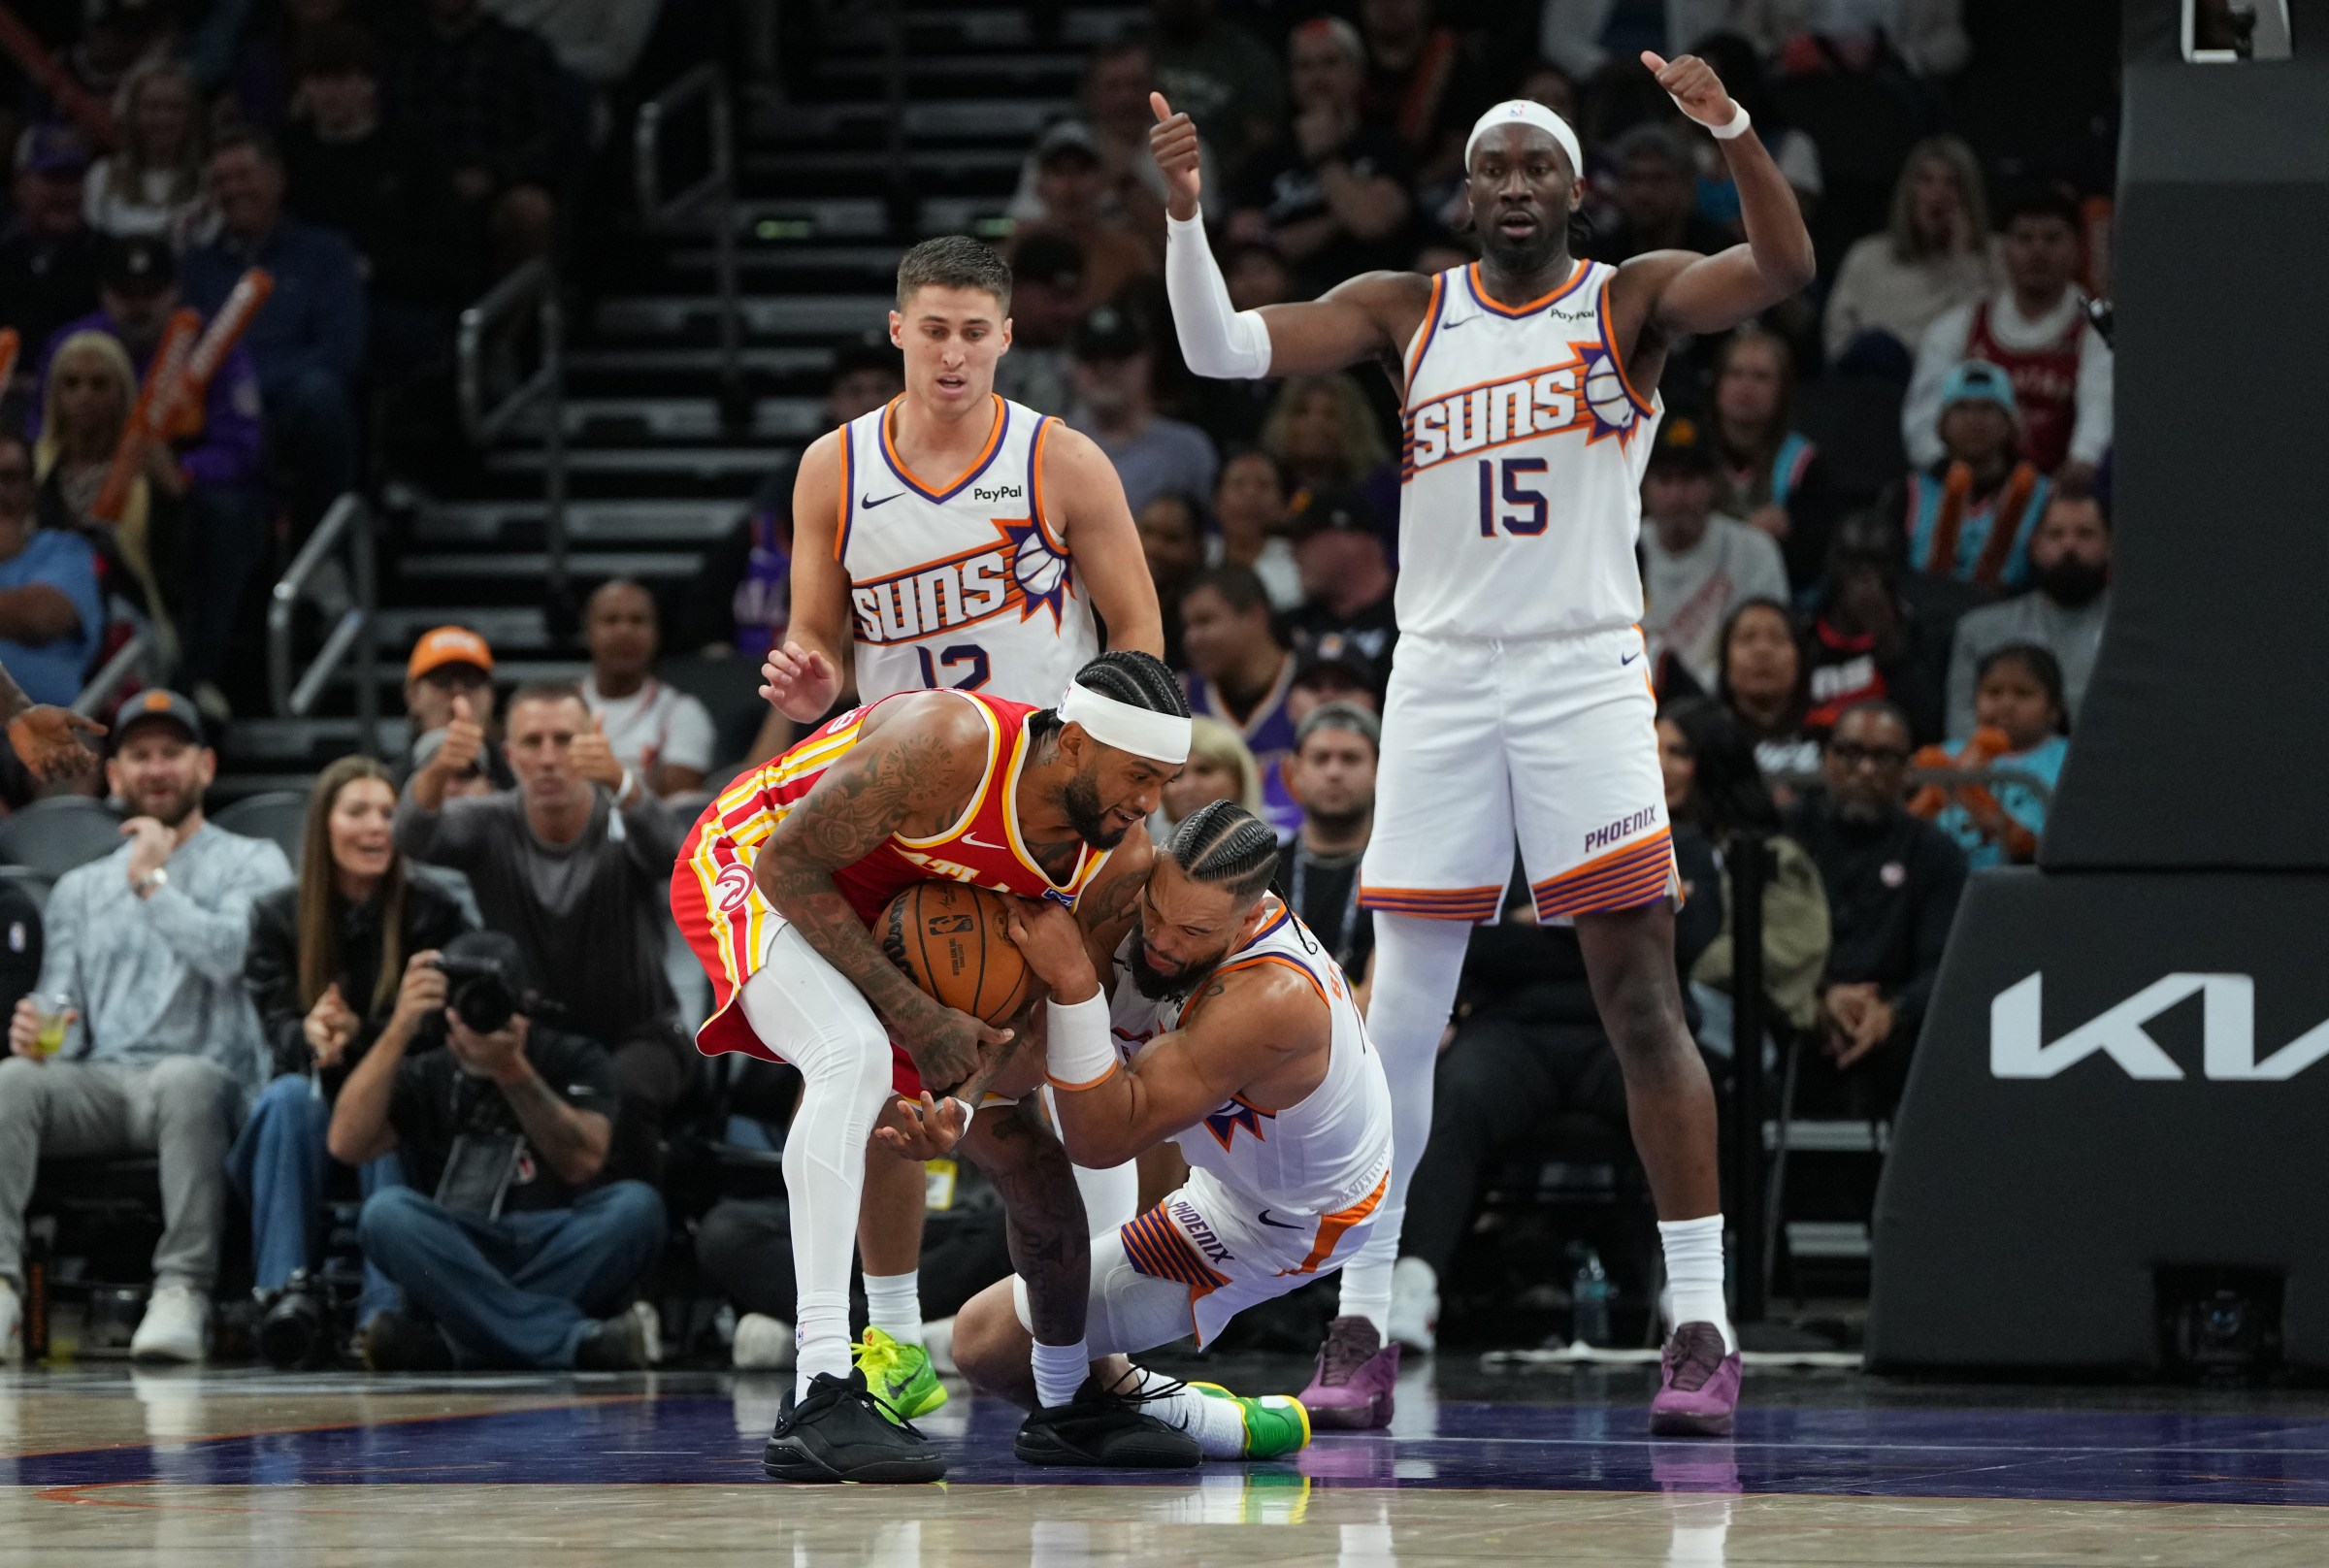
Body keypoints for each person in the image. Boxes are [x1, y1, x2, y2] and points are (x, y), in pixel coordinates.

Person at [1155, 44, 1817, 1433]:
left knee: (1641, 999)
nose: (1514, 185)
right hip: (1443, 678)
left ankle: (1698, 1323)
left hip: (1582, 672)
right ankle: (1365, 1318)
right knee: (1396, 1016)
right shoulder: (1407, 310)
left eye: (1537, 166)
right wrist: (1181, 218)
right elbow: (1220, 348)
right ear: (1466, 198)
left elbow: (1780, 268)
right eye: (1491, 169)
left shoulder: (1627, 301)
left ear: (1574, 191)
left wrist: (1733, 129)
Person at [755, 238, 1168, 1383]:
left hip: (1045, 809)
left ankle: (1103, 1338)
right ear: (897, 330)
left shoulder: (1063, 460)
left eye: (974, 331)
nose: (952, 351)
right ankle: (890, 1338)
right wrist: (807, 683)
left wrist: (1113, 779)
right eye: (932, 328)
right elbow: (822, 650)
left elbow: (1139, 635)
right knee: (894, 1076)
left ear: (1007, 338)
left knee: (1091, 1066)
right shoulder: (833, 468)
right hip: (915, 813)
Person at [670, 652, 1196, 1481]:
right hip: (756, 859)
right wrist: (918, 1018)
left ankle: (1079, 1383)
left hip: (886, 915)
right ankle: (819, 1386)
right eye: (1138, 775)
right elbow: (788, 866)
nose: (1148, 803)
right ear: (1073, 746)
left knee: (1072, 1095)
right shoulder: (950, 743)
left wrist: (962, 1098)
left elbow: (1030, 1023)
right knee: (851, 1054)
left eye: (1164, 781)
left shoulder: (1117, 861)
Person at [941, 800, 1389, 1461]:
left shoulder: (1270, 1000)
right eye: (1155, 911)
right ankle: (1219, 1418)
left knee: (999, 1350)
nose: (1162, 941)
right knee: (980, 1342)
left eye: (1193, 931)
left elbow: (1101, 1141)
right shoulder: (1147, 894)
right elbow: (1027, 1061)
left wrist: (1071, 982)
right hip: (1222, 1183)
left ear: (1249, 919)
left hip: (1299, 1221)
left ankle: (1223, 1432)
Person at [0, 690, 292, 1365]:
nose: (157, 768)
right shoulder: (79, 888)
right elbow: (64, 1012)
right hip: (108, 1081)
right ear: (115, 775)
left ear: (206, 767)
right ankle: (6, 1286)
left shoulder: (255, 863)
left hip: (211, 1078)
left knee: (185, 1081)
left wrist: (155, 883)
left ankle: (182, 1288)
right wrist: (39, 1030)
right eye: (139, 755)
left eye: (172, 753)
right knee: (13, 1082)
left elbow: (233, 959)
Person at [328, 929, 667, 1370]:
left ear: (522, 1000)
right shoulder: (426, 1068)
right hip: (459, 1245)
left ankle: (458, 1340)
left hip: (557, 1241)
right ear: (446, 1008)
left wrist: (513, 1071)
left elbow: (583, 1161)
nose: (479, 1009)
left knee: (637, 1208)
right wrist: (399, 1027)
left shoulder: (574, 1056)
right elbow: (345, 1143)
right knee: (385, 1214)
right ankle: (571, 1341)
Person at [396, 683, 692, 1182]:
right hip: (535, 1034)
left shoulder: (620, 813)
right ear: (509, 757)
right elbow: (411, 836)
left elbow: (676, 856)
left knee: (626, 1088)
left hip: (641, 1032)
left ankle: (647, 1238)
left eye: (565, 740)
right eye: (533, 743)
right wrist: (442, 766)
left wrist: (622, 782)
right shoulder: (490, 821)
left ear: (592, 746)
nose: (550, 758)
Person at [235, 756, 474, 1311]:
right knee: (289, 1098)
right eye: (358, 811)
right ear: (325, 825)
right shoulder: (276, 915)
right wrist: (314, 1035)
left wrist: (360, 1037)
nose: (376, 826)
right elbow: (278, 1035)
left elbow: (439, 1039)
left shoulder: (434, 913)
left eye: (389, 813)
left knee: (378, 1108)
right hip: (306, 1103)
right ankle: (281, 1298)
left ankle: (385, 1311)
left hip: (403, 1105)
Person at [34, 238, 269, 706]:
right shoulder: (76, 346)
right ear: (104, 293)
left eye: (150, 292)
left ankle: (196, 674)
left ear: (175, 291)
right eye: (125, 292)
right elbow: (39, 432)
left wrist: (178, 471)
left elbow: (243, 447)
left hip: (167, 497)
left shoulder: (209, 345)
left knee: (226, 512)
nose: (138, 305)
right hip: (75, 493)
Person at [675, 345, 903, 677]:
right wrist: (710, 640)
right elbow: (722, 572)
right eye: (854, 391)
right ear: (833, 403)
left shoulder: (936, 476)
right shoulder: (793, 480)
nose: (869, 402)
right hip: (793, 664)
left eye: (882, 389)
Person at [1786, 702, 1969, 1118]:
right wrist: (1818, 999)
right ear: (1828, 759)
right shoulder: (1788, 837)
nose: (1866, 770)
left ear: (1908, 770)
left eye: (1883, 758)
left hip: (1900, 1027)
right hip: (1800, 1018)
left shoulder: (1936, 853)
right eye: (1850, 754)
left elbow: (1947, 961)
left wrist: (1893, 1011)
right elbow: (1760, 944)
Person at [180, 132, 368, 519]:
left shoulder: (326, 255)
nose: (233, 190)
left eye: (244, 176)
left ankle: (322, 544)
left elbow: (340, 350)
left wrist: (253, 387)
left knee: (320, 395)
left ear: (277, 180)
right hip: (218, 413)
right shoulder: (194, 268)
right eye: (221, 181)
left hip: (292, 407)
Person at [279, 21, 475, 378]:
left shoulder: (413, 150)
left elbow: (448, 256)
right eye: (319, 80)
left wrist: (374, 269)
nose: (330, 93)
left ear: (370, 83)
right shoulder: (286, 152)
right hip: (300, 304)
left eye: (342, 79)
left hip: (390, 302)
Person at [1658, 699, 1831, 1062]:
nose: (1659, 766)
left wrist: (1680, 963)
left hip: (1739, 1026)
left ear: (1714, 761)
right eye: (1650, 750)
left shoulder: (1773, 855)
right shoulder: (1632, 850)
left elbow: (1790, 947)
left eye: (1677, 753)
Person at [1903, 187, 2110, 481]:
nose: (2038, 250)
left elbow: (2099, 408)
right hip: (1967, 492)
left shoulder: (2097, 331)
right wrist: (1945, 472)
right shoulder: (1957, 327)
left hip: (2058, 501)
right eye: (2025, 239)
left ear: (2077, 250)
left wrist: (2082, 464)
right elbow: (1924, 417)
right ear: (2004, 250)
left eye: (2052, 238)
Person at [32, 329, 181, 673]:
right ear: (54, 395)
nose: (84, 396)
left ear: (122, 392)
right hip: (47, 614)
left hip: (129, 613)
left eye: (99, 385)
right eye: (71, 384)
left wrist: (173, 494)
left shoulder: (148, 475)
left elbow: (174, 572)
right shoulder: (31, 470)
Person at [377, 0, 569, 268]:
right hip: (411, 184)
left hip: (495, 187)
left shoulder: (520, 49)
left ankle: (515, 309)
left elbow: (552, 135)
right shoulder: (396, 49)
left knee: (530, 210)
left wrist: (494, 174)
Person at [1232, 18, 1415, 296]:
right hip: (1291, 301)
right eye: (1304, 67)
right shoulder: (1265, 159)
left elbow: (1370, 223)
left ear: (1357, 72)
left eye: (1330, 63)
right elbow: (1251, 253)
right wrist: (1339, 219)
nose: (1317, 78)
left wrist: (1324, 158)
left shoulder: (1387, 146)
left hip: (1373, 293)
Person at [1822, 136, 2001, 371]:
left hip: (1948, 383)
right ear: (1909, 191)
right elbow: (1837, 339)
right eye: (1926, 181)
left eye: (1952, 183)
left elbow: (1987, 338)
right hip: (1871, 380)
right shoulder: (1867, 255)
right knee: (1878, 347)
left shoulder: (1995, 256)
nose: (1938, 194)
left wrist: (1963, 260)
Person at [1944, 485, 2111, 736]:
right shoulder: (1979, 630)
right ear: (2034, 546)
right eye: (2055, 534)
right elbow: (1960, 730)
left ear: (2111, 545)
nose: (2069, 545)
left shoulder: (2136, 630)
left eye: (2085, 534)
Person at [1640, 415, 1788, 693]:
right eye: (1665, 479)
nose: (1677, 494)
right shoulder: (1623, 550)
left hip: (1729, 706)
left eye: (1690, 479)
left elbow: (1771, 645)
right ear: (1644, 487)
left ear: (1713, 485)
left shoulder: (1754, 551)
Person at [1891, 359, 2050, 594]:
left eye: (1987, 408)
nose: (1974, 420)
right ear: (1942, 425)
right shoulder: (1907, 493)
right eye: (1961, 408)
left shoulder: (2045, 496)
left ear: (2009, 424)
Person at [1800, 510, 1957, 744]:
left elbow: (1929, 731)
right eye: (1854, 564)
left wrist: (1887, 640)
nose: (1864, 577)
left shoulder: (1923, 637)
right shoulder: (1802, 634)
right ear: (1833, 567)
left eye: (1875, 564)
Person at [1914, 642, 2068, 869]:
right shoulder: (1946, 756)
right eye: (1993, 692)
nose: (2006, 704)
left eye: (2023, 694)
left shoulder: (2070, 759)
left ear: (2054, 708)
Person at [1710, 328, 1836, 590]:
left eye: (1761, 377)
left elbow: (1813, 559)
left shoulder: (1805, 464)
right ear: (1718, 383)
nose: (1746, 386)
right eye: (1736, 374)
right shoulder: (1690, 450)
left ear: (1782, 389)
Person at [1178, 565, 1299, 838]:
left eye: (1205, 621)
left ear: (1255, 616)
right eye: (1187, 626)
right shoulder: (1179, 696)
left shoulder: (1314, 683)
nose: (1191, 637)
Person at [1066, 303, 1220, 515]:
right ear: (1072, 366)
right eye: (1092, 358)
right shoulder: (1045, 445)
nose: (1106, 369)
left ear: (1148, 361)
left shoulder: (1187, 450)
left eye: (1120, 357)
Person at [581, 579, 715, 799]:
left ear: (656, 632)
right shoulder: (560, 708)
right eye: (610, 620)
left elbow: (677, 807)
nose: (624, 631)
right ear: (588, 631)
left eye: (637, 620)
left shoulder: (681, 713)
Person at [1276, 702, 1379, 985]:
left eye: (1351, 758)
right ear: (1292, 773)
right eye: (1321, 758)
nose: (1334, 772)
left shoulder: (1404, 874)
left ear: (1380, 771)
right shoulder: (1261, 873)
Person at [0, 430, 104, 707]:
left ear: (31, 491)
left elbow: (40, 618)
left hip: (41, 740)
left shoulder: (63, 550)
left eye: (8, 478)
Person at [1007, 124, 1159, 311]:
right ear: (1039, 186)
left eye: (1082, 170)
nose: (1070, 187)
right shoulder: (1015, 253)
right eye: (1059, 172)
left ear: (1104, 182)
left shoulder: (1131, 254)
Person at [0, 127, 104, 376]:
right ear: (20, 184)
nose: (65, 193)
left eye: (74, 179)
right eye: (53, 179)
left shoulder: (107, 258)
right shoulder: (4, 254)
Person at [83, 60, 218, 246]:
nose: (163, 118)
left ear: (192, 116)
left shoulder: (212, 181)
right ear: (133, 114)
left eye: (175, 108)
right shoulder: (102, 177)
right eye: (152, 107)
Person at [1146, 0, 1285, 176]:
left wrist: (1213, 178)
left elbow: (1261, 142)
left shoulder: (1248, 58)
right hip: (1140, 178)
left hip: (1226, 185)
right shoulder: (1135, 51)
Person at [1260, 374, 1398, 532]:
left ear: (1354, 426)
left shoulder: (1382, 487)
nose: (1316, 423)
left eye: (1330, 414)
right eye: (1302, 411)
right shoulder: (1263, 483)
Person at [1285, 489, 1396, 669]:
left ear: (1353, 539)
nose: (1292, 552)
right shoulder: (1287, 629)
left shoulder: (1413, 616)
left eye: (1303, 539)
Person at [395, 624, 513, 789]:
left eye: (471, 680)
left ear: (491, 696)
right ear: (413, 695)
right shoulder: (389, 791)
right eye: (443, 679)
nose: (458, 691)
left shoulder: (517, 785)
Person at [1714, 598, 1819, 781]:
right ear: (1725, 660)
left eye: (1777, 639)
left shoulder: (1829, 732)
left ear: (1800, 657)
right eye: (1747, 638)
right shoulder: (1704, 740)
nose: (1762, 650)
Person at [991, 233, 1082, 417]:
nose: (1064, 311)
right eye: (1053, 298)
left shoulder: (1087, 355)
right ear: (1016, 291)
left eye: (1071, 298)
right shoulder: (978, 352)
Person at [1209, 446, 1302, 610]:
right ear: (1216, 502)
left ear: (1285, 505)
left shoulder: (1300, 564)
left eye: (1264, 485)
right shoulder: (1197, 553)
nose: (1251, 494)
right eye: (1238, 484)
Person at [1153, 714, 1263, 841]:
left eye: (1204, 771)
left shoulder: (1274, 854)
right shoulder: (1142, 857)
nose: (1188, 785)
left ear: (1238, 780)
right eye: (1177, 775)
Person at [1136, 490, 1205, 670]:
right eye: (1147, 531)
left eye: (1171, 539)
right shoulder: (1099, 602)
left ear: (1196, 549)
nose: (1153, 547)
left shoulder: (1196, 624)